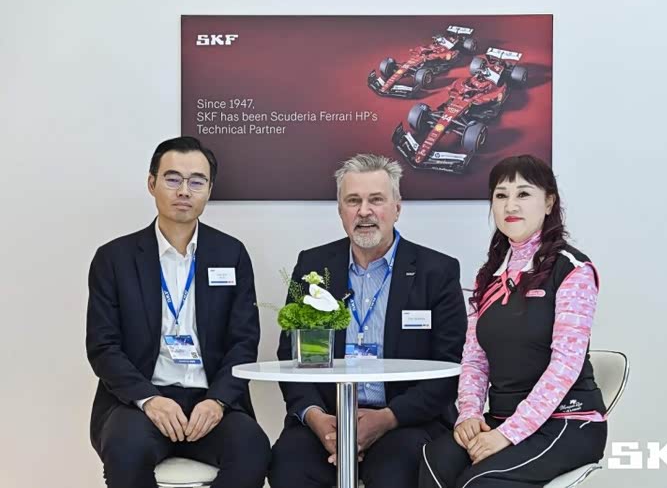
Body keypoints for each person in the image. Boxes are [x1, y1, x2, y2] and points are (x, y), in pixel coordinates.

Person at [268, 154, 468, 488]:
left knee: (398, 473)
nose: (364, 211)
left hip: (406, 421)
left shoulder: (436, 272)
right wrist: (316, 418)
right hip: (326, 420)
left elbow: (450, 366)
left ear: (397, 208)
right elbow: (291, 355)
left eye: (376, 200)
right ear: (340, 210)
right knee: (288, 466)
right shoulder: (313, 266)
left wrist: (387, 419)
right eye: (353, 201)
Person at [86, 136, 270, 488]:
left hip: (210, 402)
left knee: (252, 449)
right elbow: (103, 347)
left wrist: (217, 401)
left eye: (197, 181)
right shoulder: (114, 258)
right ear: (151, 183)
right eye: (173, 179)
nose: (184, 190)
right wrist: (149, 400)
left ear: (209, 190)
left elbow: (244, 341)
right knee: (126, 450)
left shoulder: (231, 254)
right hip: (139, 402)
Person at [420, 155, 608, 488]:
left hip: (567, 421)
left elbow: (565, 365)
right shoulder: (490, 276)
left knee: (481, 482)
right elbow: (475, 359)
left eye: (523, 193)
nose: (511, 205)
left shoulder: (573, 270)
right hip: (500, 417)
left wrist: (509, 434)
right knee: (435, 461)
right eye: (501, 195)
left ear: (548, 202)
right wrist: (469, 414)